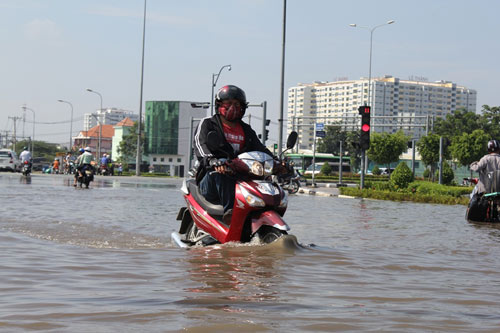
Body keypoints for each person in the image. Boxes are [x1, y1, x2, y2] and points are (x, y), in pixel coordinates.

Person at [193, 85, 276, 223]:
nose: (233, 107)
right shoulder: (208, 124)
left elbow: (261, 150)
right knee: (224, 164)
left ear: (243, 107)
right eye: (229, 103)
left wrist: (278, 162)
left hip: (241, 178)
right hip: (212, 178)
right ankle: (230, 211)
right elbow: (200, 146)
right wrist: (212, 161)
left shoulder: (246, 130)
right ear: (219, 105)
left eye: (237, 104)